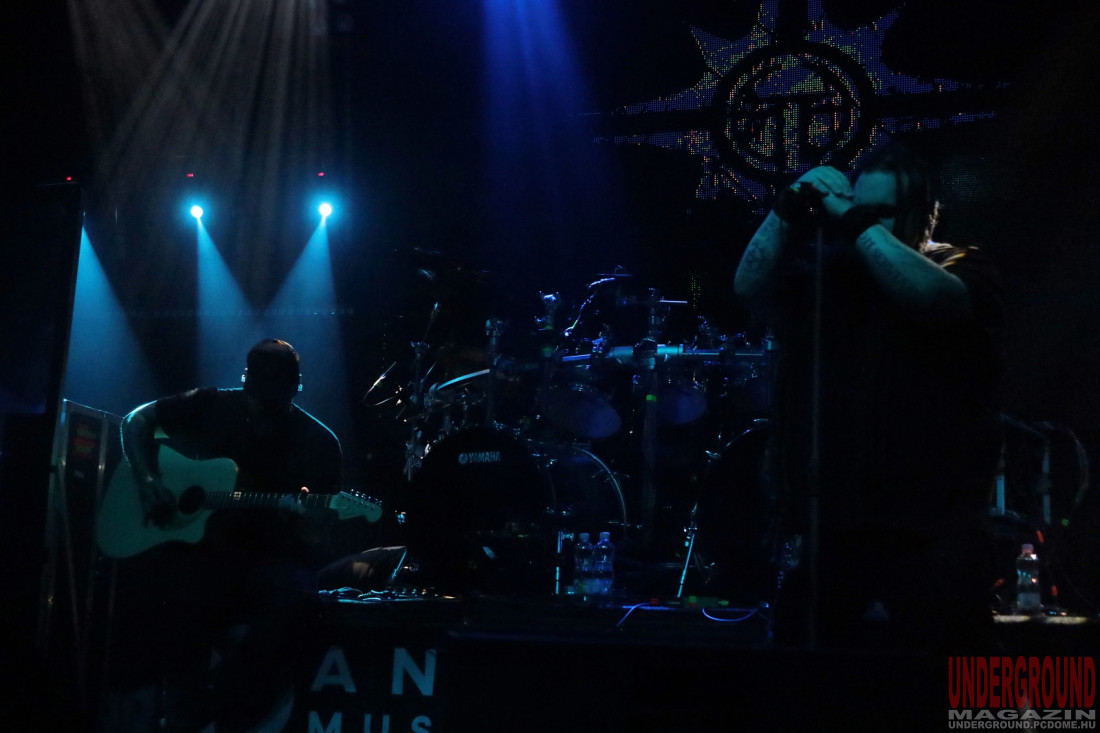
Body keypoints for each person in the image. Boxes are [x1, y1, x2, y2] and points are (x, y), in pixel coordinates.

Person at [732, 144, 1003, 649]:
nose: (860, 219)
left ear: (927, 214)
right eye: (861, 207)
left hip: (931, 525)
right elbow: (749, 287)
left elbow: (933, 297)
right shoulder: (836, 282)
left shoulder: (963, 267)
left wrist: (854, 219)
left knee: (944, 661)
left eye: (882, 212)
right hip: (838, 522)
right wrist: (787, 205)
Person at [110, 339, 348, 732]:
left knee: (299, 600)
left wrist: (305, 519)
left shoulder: (319, 443)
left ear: (296, 387)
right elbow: (135, 420)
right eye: (258, 395)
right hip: (203, 551)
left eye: (277, 397)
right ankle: (177, 707)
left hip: (270, 559)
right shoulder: (212, 403)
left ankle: (211, 706)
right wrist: (148, 479)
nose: (264, 409)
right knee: (174, 592)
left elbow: (317, 537)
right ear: (245, 381)